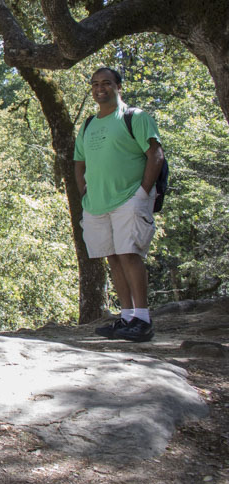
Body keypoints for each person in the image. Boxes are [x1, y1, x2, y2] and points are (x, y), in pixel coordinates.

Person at [75, 67, 165, 342]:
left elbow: (155, 154)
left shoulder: (134, 117)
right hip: (97, 203)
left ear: (118, 87)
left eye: (106, 83)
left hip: (129, 197)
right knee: (112, 256)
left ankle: (143, 319)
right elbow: (79, 163)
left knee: (129, 254)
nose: (100, 88)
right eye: (95, 84)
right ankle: (127, 317)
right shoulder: (89, 123)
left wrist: (142, 193)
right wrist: (85, 196)